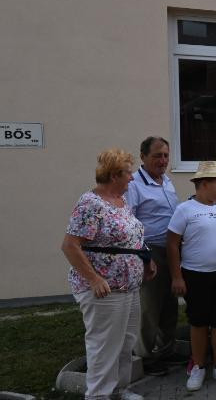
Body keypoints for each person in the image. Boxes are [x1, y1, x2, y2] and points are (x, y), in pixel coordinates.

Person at [61, 149, 156, 400]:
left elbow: (129, 237)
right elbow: (70, 246)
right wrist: (94, 279)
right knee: (104, 347)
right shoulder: (91, 204)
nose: (132, 178)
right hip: (106, 290)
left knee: (125, 343)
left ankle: (118, 390)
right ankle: (98, 395)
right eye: (128, 173)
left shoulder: (121, 202)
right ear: (114, 175)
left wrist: (146, 258)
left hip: (129, 286)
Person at [167, 161, 216, 391]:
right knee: (199, 321)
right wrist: (177, 277)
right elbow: (172, 244)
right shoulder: (185, 209)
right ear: (203, 184)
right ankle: (199, 366)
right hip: (195, 274)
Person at [125, 136, 182, 375]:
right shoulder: (134, 184)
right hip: (149, 250)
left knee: (170, 303)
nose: (163, 160)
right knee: (149, 306)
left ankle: (166, 350)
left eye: (166, 155)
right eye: (157, 155)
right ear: (143, 156)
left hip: (171, 250)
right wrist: (143, 256)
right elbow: (128, 222)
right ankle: (145, 357)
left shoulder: (166, 181)